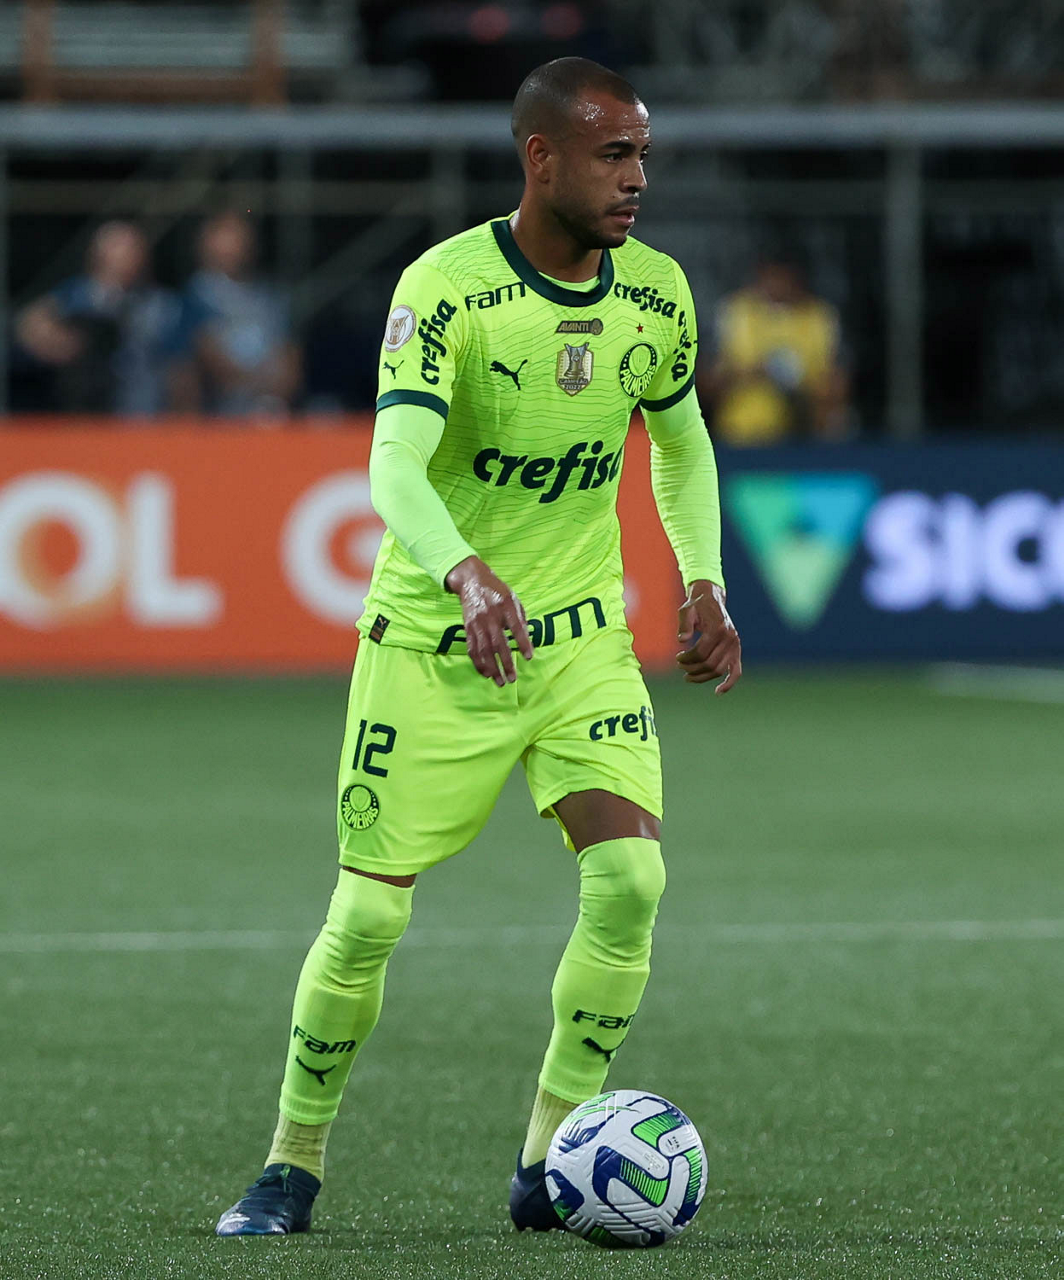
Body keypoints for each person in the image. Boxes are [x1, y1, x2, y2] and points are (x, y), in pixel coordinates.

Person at [215, 56, 742, 1238]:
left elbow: (680, 442)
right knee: (367, 918)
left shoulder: (656, 294)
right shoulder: (447, 288)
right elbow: (393, 462)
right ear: (540, 157)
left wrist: (702, 578)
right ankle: (291, 1161)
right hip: (432, 644)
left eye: (643, 154)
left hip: (578, 644)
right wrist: (462, 570)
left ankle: (545, 1156)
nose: (636, 178)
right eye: (612, 154)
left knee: (631, 879)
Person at [15, 221, 184, 415]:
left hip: (143, 410)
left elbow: (180, 366)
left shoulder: (162, 304)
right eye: (119, 247)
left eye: (134, 247)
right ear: (97, 254)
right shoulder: (79, 294)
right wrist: (64, 344)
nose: (128, 254)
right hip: (89, 409)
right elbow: (29, 323)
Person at [699, 252, 850, 444]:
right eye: (772, 277)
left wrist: (800, 384)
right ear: (760, 276)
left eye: (785, 277)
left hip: (807, 439)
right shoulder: (733, 313)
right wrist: (753, 373)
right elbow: (705, 384)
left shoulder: (821, 317)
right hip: (742, 438)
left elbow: (839, 386)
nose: (778, 285)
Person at [177, 212, 301, 417]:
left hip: (270, 412)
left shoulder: (272, 297)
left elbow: (290, 357)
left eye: (239, 239)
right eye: (225, 240)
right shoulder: (197, 296)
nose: (233, 247)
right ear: (207, 245)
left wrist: (274, 391)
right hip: (219, 414)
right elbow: (206, 354)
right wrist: (254, 383)